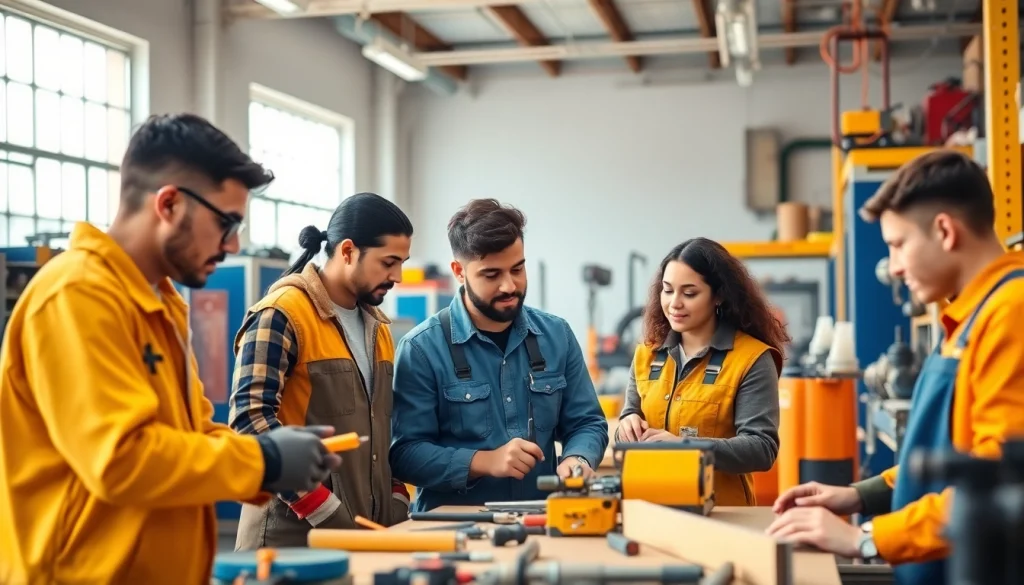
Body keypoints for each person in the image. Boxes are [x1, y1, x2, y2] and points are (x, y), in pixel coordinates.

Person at [0, 113, 340, 585]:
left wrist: (269, 452)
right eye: (226, 223)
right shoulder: (77, 295)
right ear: (169, 203)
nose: (233, 244)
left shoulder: (160, 302)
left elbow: (194, 435)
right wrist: (263, 461)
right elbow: (120, 460)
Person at [767, 150, 1024, 585]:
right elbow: (959, 462)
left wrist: (864, 539)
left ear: (945, 231)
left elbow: (997, 485)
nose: (896, 267)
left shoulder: (1011, 314)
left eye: (899, 244)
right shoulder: (968, 316)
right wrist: (859, 496)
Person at [390, 199, 609, 511]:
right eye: (491, 274)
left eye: (517, 269)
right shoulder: (421, 349)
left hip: (541, 519)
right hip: (451, 526)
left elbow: (587, 422)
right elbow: (405, 454)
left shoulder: (557, 335)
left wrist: (578, 458)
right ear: (459, 272)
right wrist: (483, 461)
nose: (509, 286)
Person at [229, 193, 415, 548]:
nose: (398, 276)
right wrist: (323, 508)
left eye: (402, 263)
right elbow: (248, 422)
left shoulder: (378, 328)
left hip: (363, 536)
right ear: (347, 251)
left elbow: (381, 429)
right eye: (389, 262)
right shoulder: (282, 314)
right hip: (287, 542)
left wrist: (396, 498)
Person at [614, 238, 787, 506]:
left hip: (723, 515)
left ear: (718, 295)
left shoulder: (752, 359)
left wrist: (685, 447)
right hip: (650, 509)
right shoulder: (646, 354)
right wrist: (627, 425)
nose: (674, 303)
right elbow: (629, 417)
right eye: (667, 290)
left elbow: (761, 448)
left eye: (690, 293)